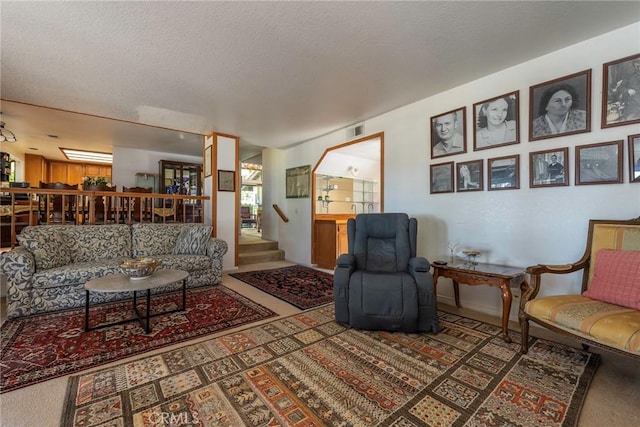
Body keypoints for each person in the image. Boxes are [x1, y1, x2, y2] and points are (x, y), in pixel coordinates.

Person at [609, 58, 640, 122]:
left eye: (639, 66)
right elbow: (620, 88)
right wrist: (628, 90)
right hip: (633, 104)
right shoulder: (629, 77)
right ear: (634, 68)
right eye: (636, 66)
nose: (638, 68)